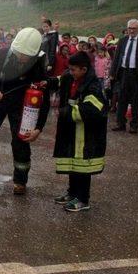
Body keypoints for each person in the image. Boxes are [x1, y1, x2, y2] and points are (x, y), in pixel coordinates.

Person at [0, 28, 50, 196]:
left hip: (21, 103)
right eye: (19, 53)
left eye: (26, 55)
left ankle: (20, 181)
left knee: (21, 140)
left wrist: (39, 127)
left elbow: (44, 97)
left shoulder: (39, 63)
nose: (21, 57)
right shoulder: (2, 54)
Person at [48, 51, 108, 212]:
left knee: (83, 168)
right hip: (72, 131)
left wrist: (66, 112)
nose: (70, 72)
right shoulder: (72, 77)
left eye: (74, 69)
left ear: (84, 69)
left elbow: (92, 110)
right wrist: (44, 83)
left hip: (86, 135)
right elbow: (58, 80)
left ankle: (83, 199)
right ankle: (72, 193)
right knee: (73, 164)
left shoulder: (93, 86)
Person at [110, 19, 138, 133]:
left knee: (135, 100)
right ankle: (120, 123)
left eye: (134, 28)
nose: (132, 30)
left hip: (136, 74)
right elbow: (117, 57)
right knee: (121, 98)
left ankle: (134, 125)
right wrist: (112, 73)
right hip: (123, 72)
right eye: (130, 28)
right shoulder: (122, 40)